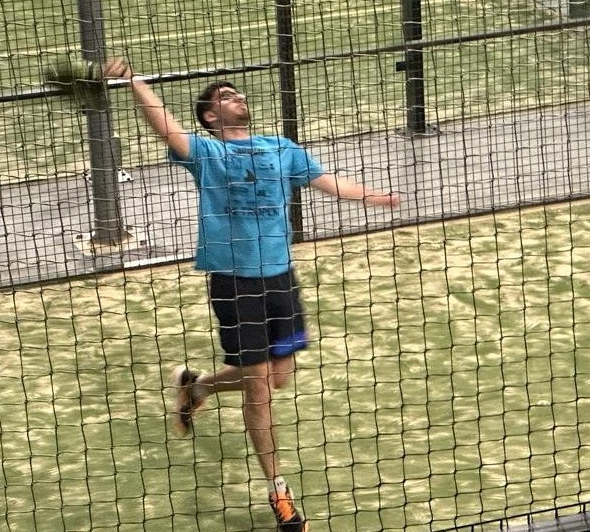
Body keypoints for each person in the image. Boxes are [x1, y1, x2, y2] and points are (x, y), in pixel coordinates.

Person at [104, 59, 400, 531]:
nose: (237, 97)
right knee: (259, 390)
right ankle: (279, 493)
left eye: (237, 93)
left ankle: (198, 386)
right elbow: (166, 127)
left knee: (276, 378)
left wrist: (373, 196)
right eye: (224, 97)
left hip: (281, 280)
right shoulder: (206, 153)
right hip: (235, 283)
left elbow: (326, 181)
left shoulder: (280, 148)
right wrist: (133, 81)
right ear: (210, 117)